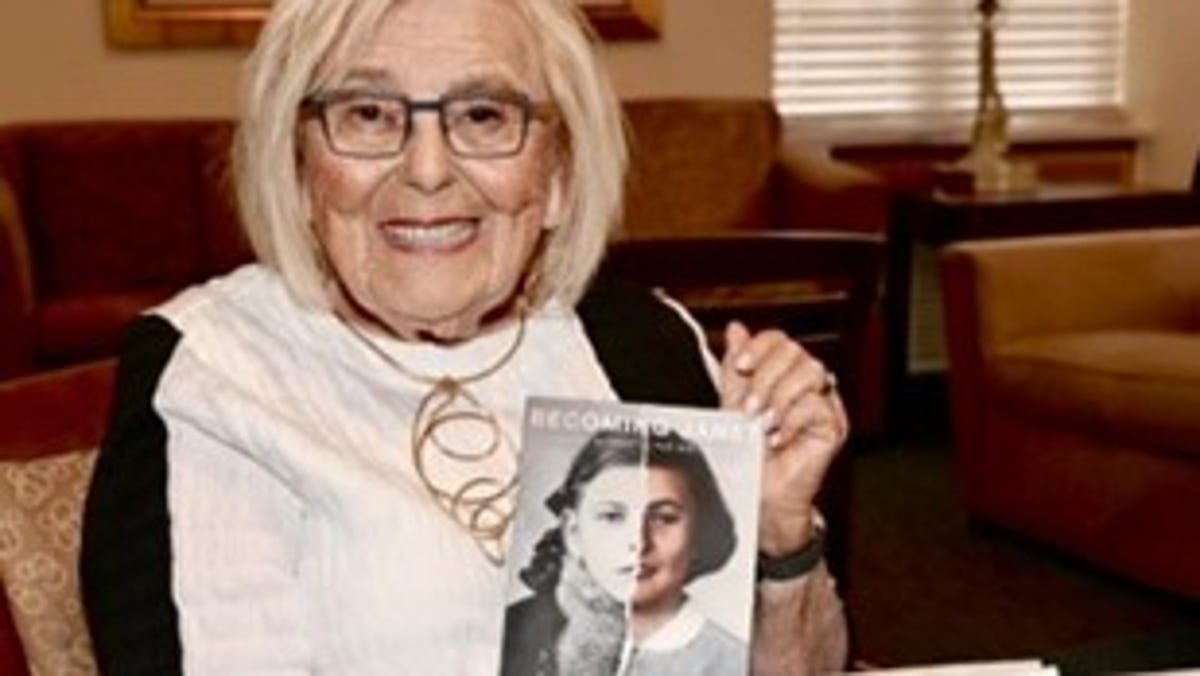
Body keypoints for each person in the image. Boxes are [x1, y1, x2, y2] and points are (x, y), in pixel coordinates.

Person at [79, 0, 849, 673]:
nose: (426, 169)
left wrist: (782, 538)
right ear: (302, 165)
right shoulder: (213, 374)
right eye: (368, 114)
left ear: (554, 176)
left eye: (484, 115)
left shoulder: (639, 339)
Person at [502, 426, 747, 675]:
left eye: (664, 518)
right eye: (612, 516)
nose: (639, 542)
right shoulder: (512, 631)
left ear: (699, 534)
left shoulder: (735, 661)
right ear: (573, 532)